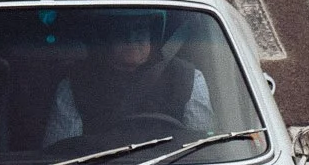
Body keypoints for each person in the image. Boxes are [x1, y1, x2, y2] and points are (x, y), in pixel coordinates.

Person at [43, 11, 212, 148]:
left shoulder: (188, 78)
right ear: (106, 37)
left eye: (140, 29)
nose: (131, 38)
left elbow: (202, 147)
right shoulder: (76, 84)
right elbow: (61, 154)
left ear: (152, 35)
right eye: (121, 30)